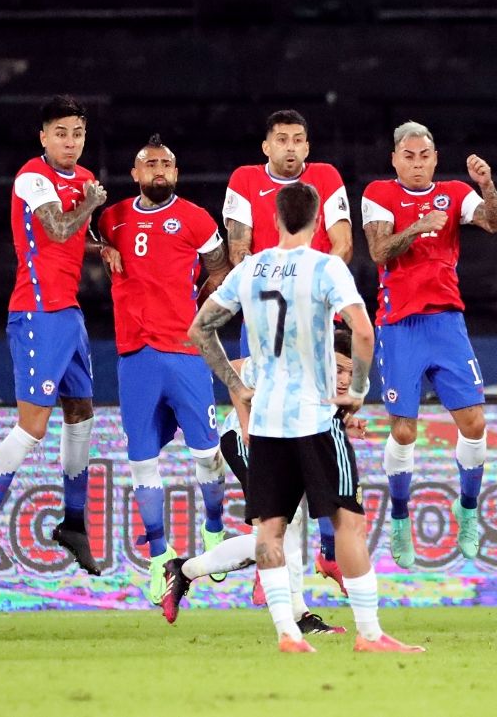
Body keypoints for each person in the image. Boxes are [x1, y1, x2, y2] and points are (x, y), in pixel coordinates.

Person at [189, 183, 422, 654]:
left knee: (270, 530)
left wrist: (235, 386)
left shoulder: (251, 268)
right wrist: (356, 390)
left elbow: (199, 328)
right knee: (348, 523)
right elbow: (361, 329)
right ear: (318, 221)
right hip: (314, 418)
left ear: (273, 218)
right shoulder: (325, 266)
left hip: (267, 424)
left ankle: (287, 634)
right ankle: (370, 635)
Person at [0, 95, 109, 576]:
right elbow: (61, 228)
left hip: (67, 311)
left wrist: (109, 245)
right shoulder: (32, 177)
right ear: (43, 136)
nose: (71, 142)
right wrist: (90, 203)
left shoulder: (83, 179)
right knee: (34, 426)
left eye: (78, 133)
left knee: (81, 411)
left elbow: (88, 234)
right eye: (61, 133)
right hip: (36, 310)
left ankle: (72, 522)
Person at [360, 120, 497, 568]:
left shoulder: (456, 192)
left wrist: (487, 185)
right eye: (409, 155)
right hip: (398, 324)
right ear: (394, 159)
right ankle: (401, 518)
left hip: (446, 322)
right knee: (404, 430)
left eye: (425, 155)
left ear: (435, 158)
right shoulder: (378, 194)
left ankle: (467, 511)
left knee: (475, 423)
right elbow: (380, 252)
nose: (418, 163)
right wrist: (420, 225)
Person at [97, 135, 232, 604]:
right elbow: (94, 238)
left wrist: (202, 305)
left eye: (167, 164)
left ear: (176, 173)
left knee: (207, 456)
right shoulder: (111, 218)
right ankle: (159, 555)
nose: (159, 170)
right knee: (141, 461)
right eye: (150, 163)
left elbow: (220, 266)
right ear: (135, 173)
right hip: (135, 355)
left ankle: (213, 527)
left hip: (185, 351)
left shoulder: (196, 219)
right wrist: (101, 249)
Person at [161, 327, 364, 638]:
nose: (344, 379)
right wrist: (246, 425)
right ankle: (298, 617)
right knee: (283, 525)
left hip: (284, 448)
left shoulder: (337, 388)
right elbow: (234, 370)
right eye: (337, 368)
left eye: (349, 372)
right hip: (247, 442)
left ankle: (184, 570)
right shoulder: (289, 364)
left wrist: (346, 419)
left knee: (277, 536)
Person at [221, 108, 352, 583]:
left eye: (299, 139)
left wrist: (307, 284)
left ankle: (320, 550)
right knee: (270, 438)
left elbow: (343, 244)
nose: (291, 147)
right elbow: (238, 252)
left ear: (308, 146)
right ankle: (272, 540)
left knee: (325, 431)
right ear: (267, 147)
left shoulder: (326, 176)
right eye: (282, 139)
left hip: (317, 325)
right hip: (265, 324)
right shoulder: (243, 180)